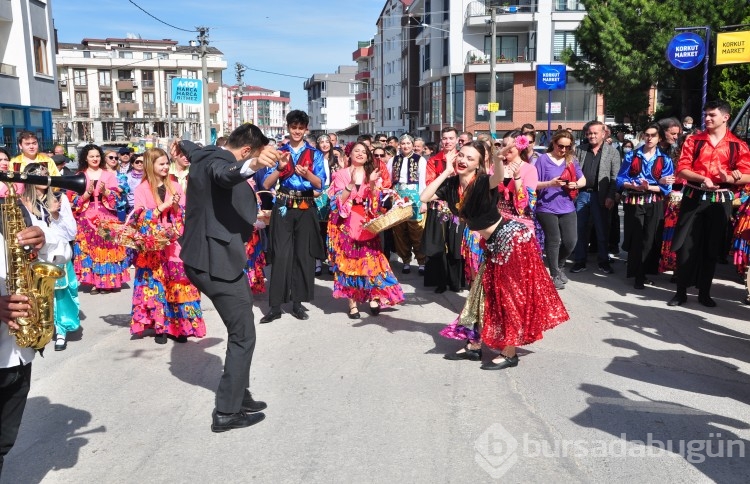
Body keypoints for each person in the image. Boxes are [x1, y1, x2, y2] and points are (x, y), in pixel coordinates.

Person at [178, 123, 279, 432]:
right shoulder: (221, 163)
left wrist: (181, 143)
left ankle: (240, 395)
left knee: (243, 322)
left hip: (208, 257)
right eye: (256, 155)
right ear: (247, 151)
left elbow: (191, 148)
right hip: (214, 261)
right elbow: (226, 175)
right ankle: (226, 412)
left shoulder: (205, 153)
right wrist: (253, 165)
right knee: (243, 335)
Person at [442, 142, 569, 369]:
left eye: (470, 158)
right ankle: (474, 345)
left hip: (513, 239)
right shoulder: (471, 181)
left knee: (509, 298)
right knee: (481, 295)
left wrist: (511, 172)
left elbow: (522, 204)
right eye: (461, 155)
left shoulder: (507, 175)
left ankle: (510, 352)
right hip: (492, 244)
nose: (463, 160)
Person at [668, 100, 750, 307]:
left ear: (725, 117)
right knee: (685, 247)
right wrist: (701, 178)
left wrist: (730, 178)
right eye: (705, 115)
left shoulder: (738, 145)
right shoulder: (693, 141)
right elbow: (682, 169)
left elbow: (747, 175)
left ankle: (704, 292)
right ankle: (680, 292)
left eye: (712, 115)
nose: (706, 119)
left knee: (711, 248)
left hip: (720, 200)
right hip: (694, 196)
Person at [130, 148, 205, 344]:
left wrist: (177, 208)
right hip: (153, 246)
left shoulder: (175, 186)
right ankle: (160, 328)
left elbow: (185, 215)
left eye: (166, 163)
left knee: (177, 282)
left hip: (174, 244)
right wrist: (163, 207)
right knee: (156, 286)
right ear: (150, 165)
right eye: (161, 164)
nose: (165, 167)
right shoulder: (141, 189)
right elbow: (139, 219)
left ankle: (178, 327)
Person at [260, 110, 327, 323]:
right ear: (288, 128)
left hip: (306, 204)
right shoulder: (279, 152)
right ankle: (275, 306)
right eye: (293, 127)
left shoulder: (315, 154)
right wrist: (280, 169)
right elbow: (266, 184)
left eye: (301, 128)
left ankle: (298, 303)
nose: (297, 131)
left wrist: (306, 174)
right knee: (280, 254)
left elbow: (320, 184)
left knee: (302, 254)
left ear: (305, 129)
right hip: (283, 204)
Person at [327, 141, 405, 318]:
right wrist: (351, 184)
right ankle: (352, 303)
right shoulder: (340, 174)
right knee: (350, 262)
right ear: (350, 154)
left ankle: (373, 295)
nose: (361, 154)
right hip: (347, 221)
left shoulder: (372, 173)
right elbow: (337, 201)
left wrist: (370, 184)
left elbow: (375, 200)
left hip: (367, 220)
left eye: (364, 151)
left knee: (371, 260)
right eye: (357, 151)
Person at [0, 224, 47, 476]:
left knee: (3, 444)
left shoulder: (11, 206)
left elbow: (52, 260)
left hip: (18, 351)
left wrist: (41, 242)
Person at [20, 164, 79, 352]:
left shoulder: (59, 198)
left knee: (62, 294)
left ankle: (61, 330)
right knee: (41, 296)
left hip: (58, 255)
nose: (43, 178)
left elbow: (71, 233)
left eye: (45, 174)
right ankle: (44, 327)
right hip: (38, 256)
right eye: (38, 175)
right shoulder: (23, 201)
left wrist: (55, 214)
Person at [616, 123, 674, 290]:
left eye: (653, 135)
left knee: (650, 239)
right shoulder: (631, 156)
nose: (649, 138)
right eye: (646, 135)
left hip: (654, 202)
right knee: (637, 238)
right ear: (643, 136)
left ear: (659, 138)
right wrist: (634, 186)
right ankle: (638, 275)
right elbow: (620, 180)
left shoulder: (665, 159)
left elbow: (666, 187)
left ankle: (645, 271)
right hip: (634, 201)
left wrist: (649, 186)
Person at [71, 144, 130, 293]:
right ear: (86, 158)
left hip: (106, 216)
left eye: (97, 156)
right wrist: (86, 194)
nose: (95, 159)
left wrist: (105, 191)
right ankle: (92, 282)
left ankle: (107, 282)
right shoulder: (79, 175)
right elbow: (72, 201)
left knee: (106, 248)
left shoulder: (108, 175)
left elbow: (117, 200)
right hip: (86, 218)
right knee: (89, 249)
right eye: (92, 156)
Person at [535, 130, 585, 289]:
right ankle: (555, 274)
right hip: (546, 206)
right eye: (560, 146)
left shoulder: (571, 160)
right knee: (554, 240)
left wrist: (576, 184)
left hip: (567, 206)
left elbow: (583, 179)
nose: (563, 150)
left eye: (567, 147)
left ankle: (559, 265)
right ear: (554, 143)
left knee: (571, 241)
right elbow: (533, 183)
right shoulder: (543, 160)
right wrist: (550, 183)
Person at [570, 121, 620, 274]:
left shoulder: (612, 152)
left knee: (602, 229)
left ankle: (603, 261)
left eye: (594, 133)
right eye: (589, 133)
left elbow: (615, 177)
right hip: (582, 194)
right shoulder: (580, 150)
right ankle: (580, 261)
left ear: (603, 134)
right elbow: (572, 171)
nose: (591, 136)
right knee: (580, 229)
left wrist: (611, 196)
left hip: (602, 196)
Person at [422, 127, 461, 292]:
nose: (448, 141)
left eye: (451, 138)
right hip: (439, 206)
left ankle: (456, 281)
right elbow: (430, 183)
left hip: (458, 206)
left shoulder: (463, 157)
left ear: (457, 140)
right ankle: (440, 281)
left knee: (456, 245)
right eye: (445, 138)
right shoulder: (434, 160)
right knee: (438, 244)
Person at [387, 134, 427, 275]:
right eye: (403, 143)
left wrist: (423, 201)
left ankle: (421, 261)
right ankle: (405, 260)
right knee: (399, 230)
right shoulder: (393, 159)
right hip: (398, 195)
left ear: (412, 144)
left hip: (415, 195)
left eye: (408, 143)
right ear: (399, 145)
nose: (405, 146)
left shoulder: (420, 160)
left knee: (416, 229)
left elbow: (422, 181)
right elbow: (389, 179)